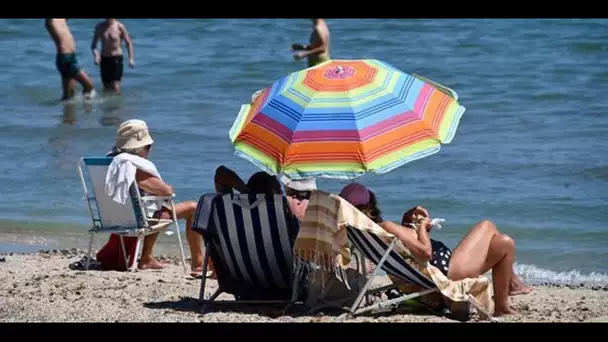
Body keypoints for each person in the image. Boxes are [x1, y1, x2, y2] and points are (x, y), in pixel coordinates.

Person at [338, 183, 533, 317]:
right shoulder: (386, 226)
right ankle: (510, 290)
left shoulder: (367, 232)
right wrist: (422, 227)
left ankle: (504, 301)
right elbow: (425, 252)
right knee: (487, 225)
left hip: (438, 269)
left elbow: (405, 249)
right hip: (447, 271)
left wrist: (408, 220)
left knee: (504, 243)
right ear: (371, 204)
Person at [105, 119, 204, 275]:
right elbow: (166, 192)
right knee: (193, 208)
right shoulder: (131, 166)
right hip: (137, 219)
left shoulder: (109, 163)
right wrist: (167, 187)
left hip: (113, 217)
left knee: (154, 206)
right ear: (140, 148)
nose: (149, 151)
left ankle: (147, 257)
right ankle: (198, 263)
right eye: (148, 147)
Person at [45, 19, 96, 100]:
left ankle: (67, 111)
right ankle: (88, 110)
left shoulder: (62, 19)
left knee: (68, 95)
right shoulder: (51, 21)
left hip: (71, 57)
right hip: (66, 59)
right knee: (89, 86)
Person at [91, 18, 135, 92]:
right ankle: (108, 103)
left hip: (116, 58)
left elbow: (128, 43)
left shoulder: (119, 26)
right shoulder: (99, 27)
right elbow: (93, 45)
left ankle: (117, 103)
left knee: (115, 86)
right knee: (106, 86)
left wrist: (131, 59)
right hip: (104, 59)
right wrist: (97, 56)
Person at [214, 165, 282, 196]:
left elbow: (221, 172)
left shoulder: (232, 209)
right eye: (279, 189)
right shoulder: (280, 211)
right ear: (274, 191)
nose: (281, 192)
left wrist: (245, 190)